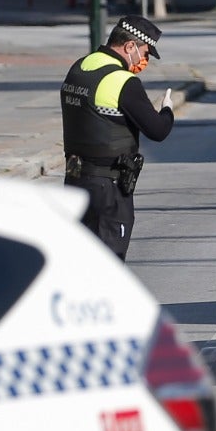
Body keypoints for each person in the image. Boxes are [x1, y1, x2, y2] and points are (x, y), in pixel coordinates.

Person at [60, 16, 175, 259]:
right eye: (145, 53)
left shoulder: (79, 67)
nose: (144, 61)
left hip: (75, 181)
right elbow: (158, 130)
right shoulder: (123, 81)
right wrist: (167, 110)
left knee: (79, 259)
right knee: (109, 261)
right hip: (108, 189)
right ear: (129, 46)